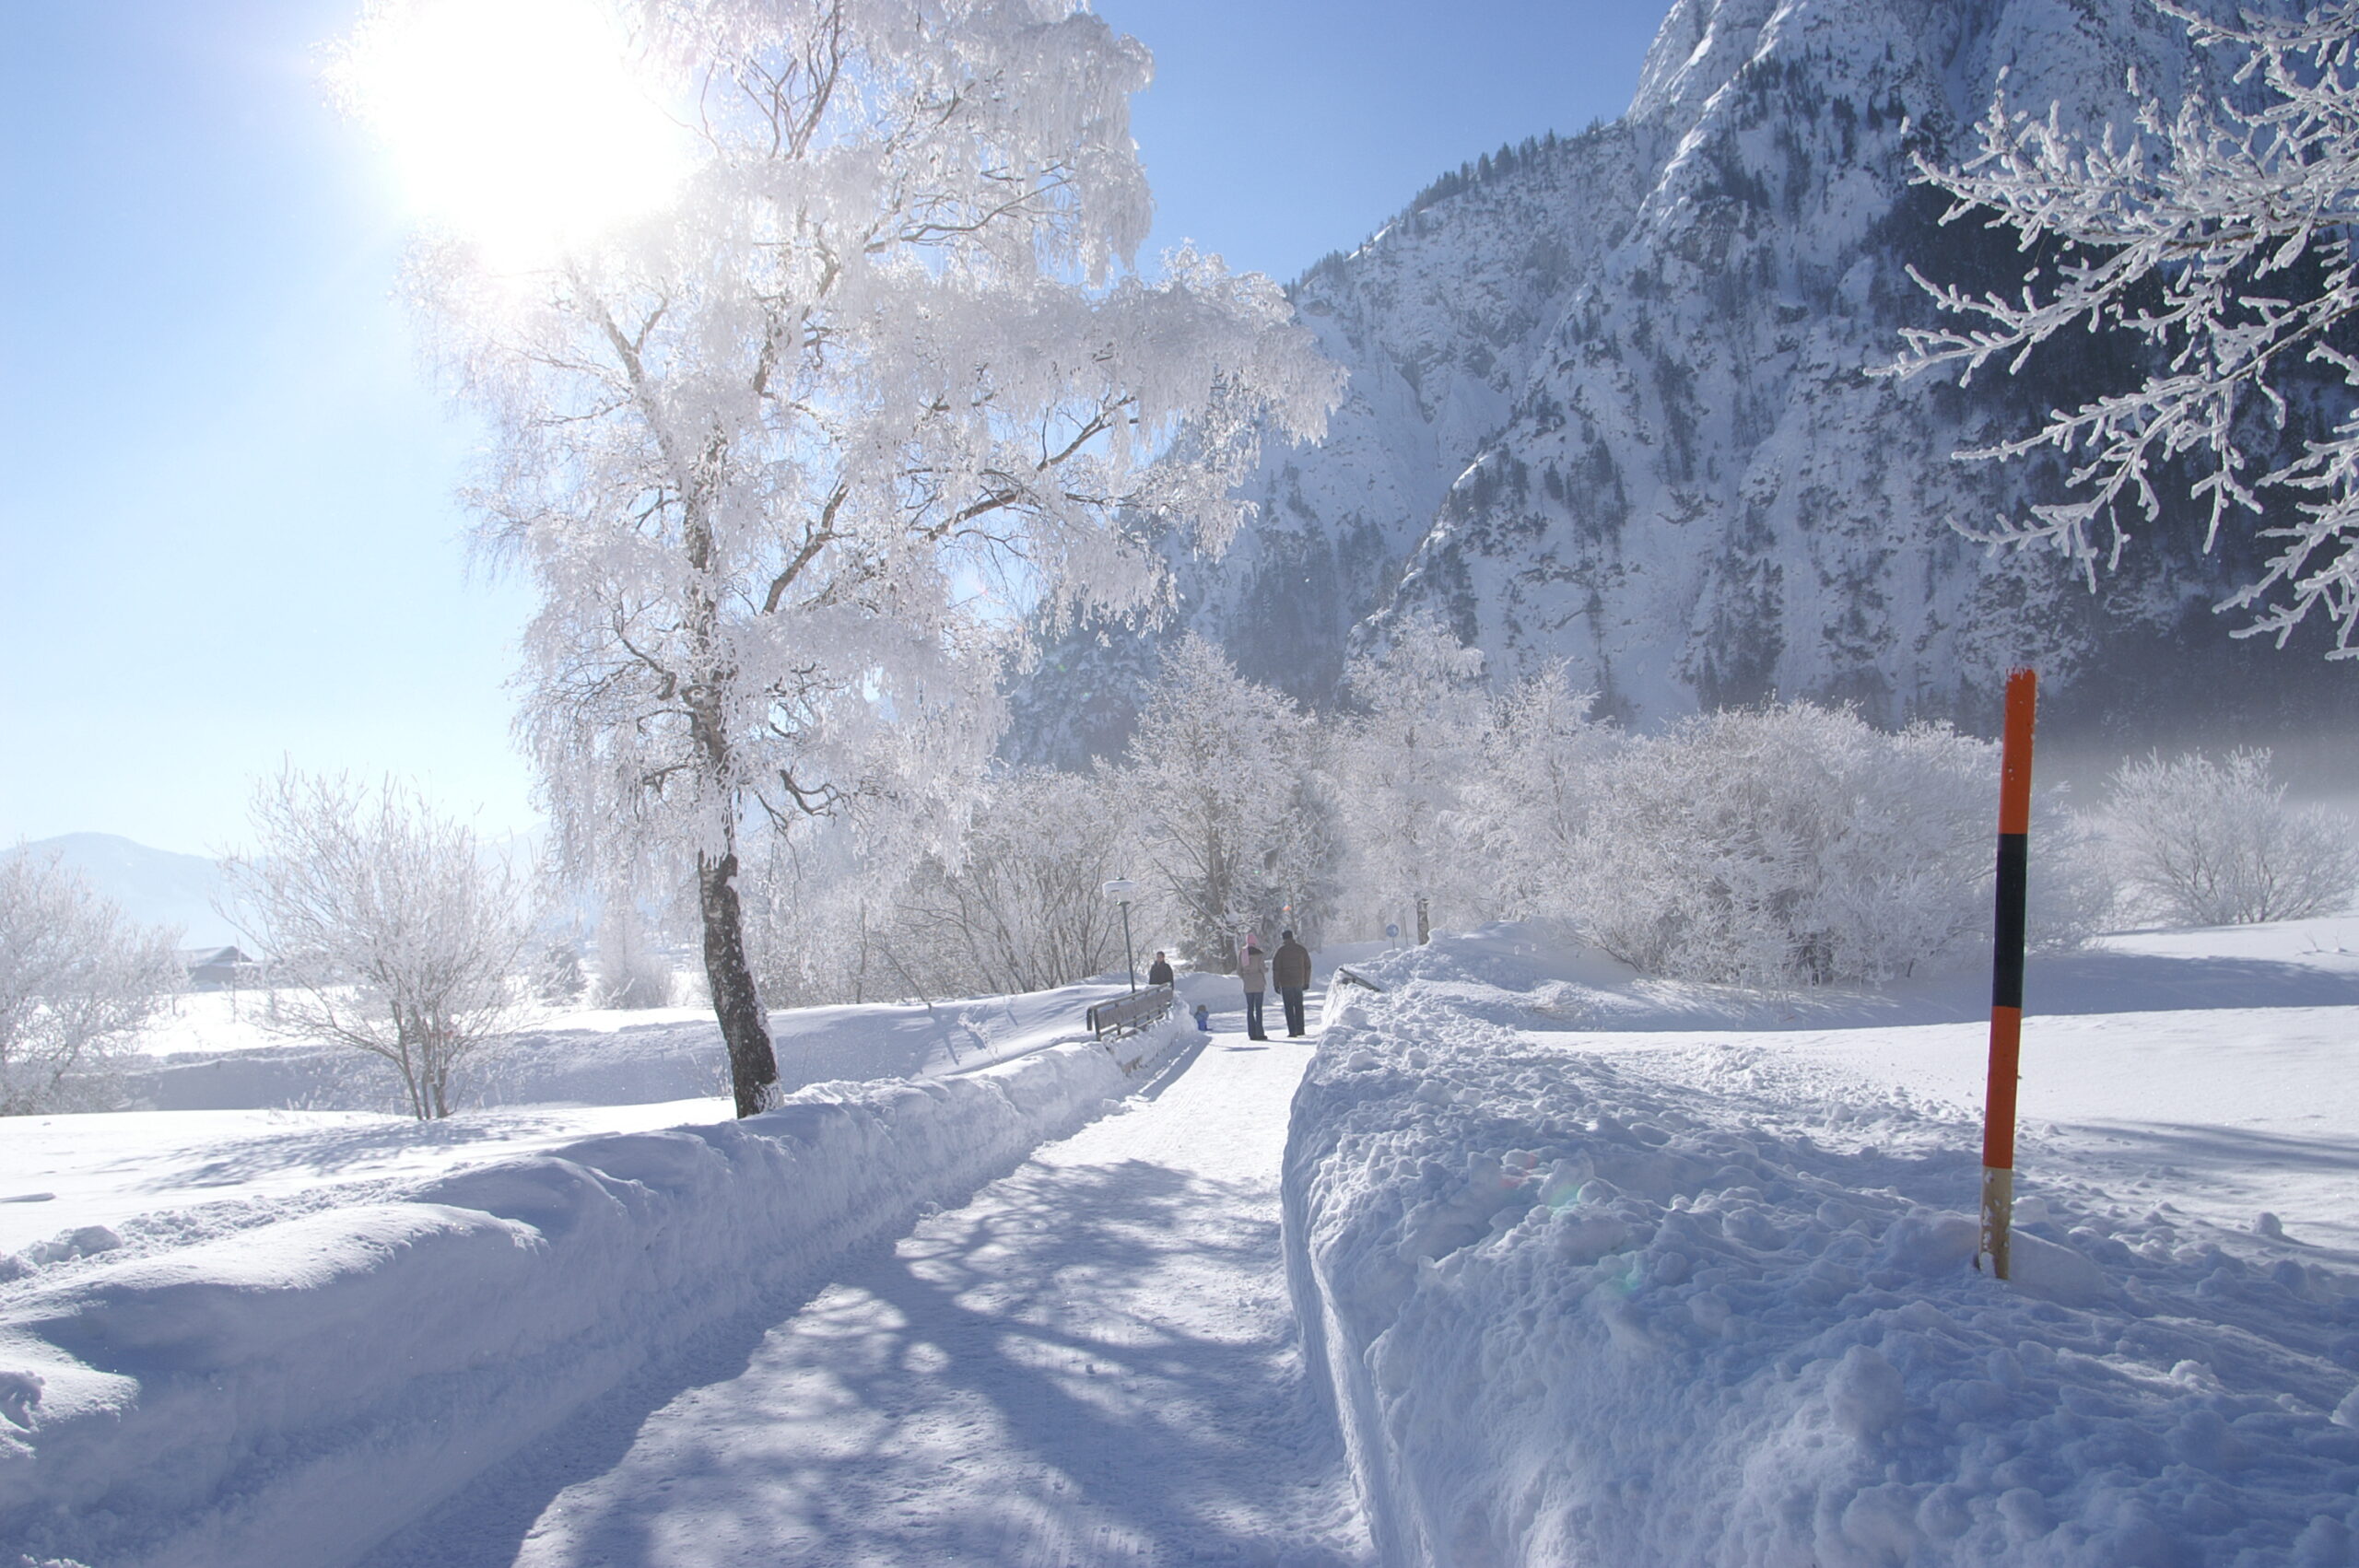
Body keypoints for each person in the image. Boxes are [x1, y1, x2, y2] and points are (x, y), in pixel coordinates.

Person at [1274, 929, 1312, 1036]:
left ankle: (1292, 1031)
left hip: (1286, 982)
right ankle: (1300, 1029)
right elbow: (1308, 966)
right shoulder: (1301, 950)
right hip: (1298, 982)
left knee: (1289, 1007)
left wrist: (1276, 984)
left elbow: (1276, 968)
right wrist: (1306, 981)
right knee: (1299, 1006)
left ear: (1283, 938)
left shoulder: (1281, 951)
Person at [1238, 941, 1269, 1040]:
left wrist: (1245, 976)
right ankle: (1260, 1032)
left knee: (1250, 1008)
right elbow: (1262, 968)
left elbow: (1239, 970)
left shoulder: (1242, 953)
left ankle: (1252, 1033)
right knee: (1258, 1009)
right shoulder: (1259, 954)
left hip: (1248, 983)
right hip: (1258, 983)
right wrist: (1266, 970)